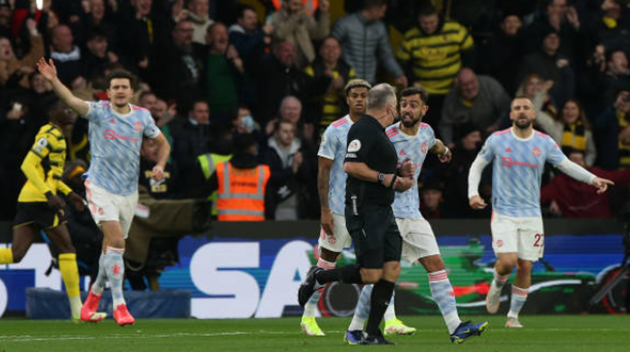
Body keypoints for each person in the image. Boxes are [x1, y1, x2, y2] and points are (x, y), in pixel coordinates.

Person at [343, 87, 488, 344]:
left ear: (424, 110)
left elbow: (433, 144)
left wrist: (444, 152)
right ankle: (355, 329)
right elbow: (363, 168)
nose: (407, 109)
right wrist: (396, 171)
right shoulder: (385, 135)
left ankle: (456, 328)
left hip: (414, 214)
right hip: (387, 214)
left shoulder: (427, 131)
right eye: (404, 104)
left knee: (436, 266)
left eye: (413, 105)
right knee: (380, 274)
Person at [37, 59, 171, 326]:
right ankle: (120, 306)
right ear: (107, 93)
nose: (120, 91)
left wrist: (160, 165)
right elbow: (72, 100)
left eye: (124, 87)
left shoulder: (142, 116)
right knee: (118, 241)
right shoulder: (99, 111)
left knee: (111, 249)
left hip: (128, 193)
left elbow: (162, 143)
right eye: (115, 87)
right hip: (99, 188)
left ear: (131, 92)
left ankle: (94, 296)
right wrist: (53, 81)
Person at [468, 96, 614, 328]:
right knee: (507, 262)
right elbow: (478, 164)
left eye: (526, 108)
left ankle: (513, 317)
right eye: (517, 108)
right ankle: (496, 286)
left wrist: (592, 178)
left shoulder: (544, 142)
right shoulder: (498, 140)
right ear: (512, 115)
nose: (522, 111)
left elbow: (566, 164)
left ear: (534, 114)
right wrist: (472, 193)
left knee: (526, 265)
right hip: (504, 212)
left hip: (532, 215)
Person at [298, 83, 415, 345]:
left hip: (384, 209)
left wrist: (399, 175)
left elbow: (375, 166)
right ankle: (320, 277)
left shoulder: (379, 131)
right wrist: (387, 178)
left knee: (391, 269)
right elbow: (351, 165)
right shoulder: (361, 128)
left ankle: (373, 332)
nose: (397, 107)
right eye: (396, 102)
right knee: (370, 273)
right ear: (389, 106)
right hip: (361, 208)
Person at [0, 102, 106, 322]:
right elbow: (27, 165)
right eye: (66, 110)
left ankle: (78, 312)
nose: (71, 113)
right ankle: (78, 312)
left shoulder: (57, 135)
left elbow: (51, 175)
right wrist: (49, 195)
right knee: (67, 249)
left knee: (16, 255)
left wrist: (70, 194)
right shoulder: (48, 134)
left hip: (29, 200)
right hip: (40, 202)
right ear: (53, 113)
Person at [299, 79, 374, 336]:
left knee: (378, 262)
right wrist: (324, 210)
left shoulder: (379, 129)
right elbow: (323, 172)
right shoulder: (335, 130)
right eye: (355, 95)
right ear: (347, 99)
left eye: (364, 95)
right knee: (328, 262)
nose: (360, 100)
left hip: (368, 209)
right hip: (339, 208)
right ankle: (308, 315)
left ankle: (391, 319)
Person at [331, 0, 407, 86]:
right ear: (373, 9)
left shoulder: (380, 27)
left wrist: (398, 74)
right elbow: (328, 51)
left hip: (369, 82)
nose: (383, 15)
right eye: (382, 11)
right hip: (347, 82)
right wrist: (334, 74)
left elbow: (386, 55)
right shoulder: (344, 24)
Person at [542, 150, 630, 218]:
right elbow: (538, 197)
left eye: (581, 160)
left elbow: (621, 177)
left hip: (603, 228)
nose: (579, 163)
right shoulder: (559, 182)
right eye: (575, 160)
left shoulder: (596, 174)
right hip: (572, 231)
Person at [203, 133, 270, 221]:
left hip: (227, 224)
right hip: (255, 225)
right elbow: (269, 201)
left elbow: (203, 192)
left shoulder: (223, 170)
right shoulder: (263, 171)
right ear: (252, 148)